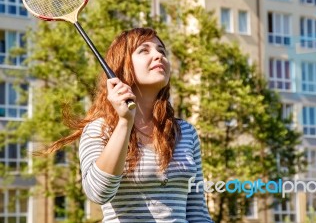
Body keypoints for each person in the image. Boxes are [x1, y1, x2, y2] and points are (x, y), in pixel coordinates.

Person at [48, 28, 214, 222]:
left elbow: (197, 212)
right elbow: (98, 193)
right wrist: (125, 122)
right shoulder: (100, 130)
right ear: (122, 66)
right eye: (144, 50)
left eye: (162, 51)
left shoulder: (186, 132)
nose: (158, 56)